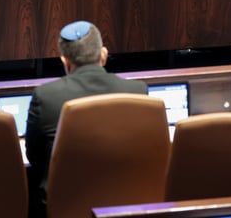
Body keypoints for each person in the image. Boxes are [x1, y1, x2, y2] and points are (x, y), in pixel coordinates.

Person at [26, 21, 147, 214]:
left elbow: (34, 157)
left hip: (66, 207)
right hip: (126, 205)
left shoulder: (45, 96)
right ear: (104, 55)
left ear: (65, 62)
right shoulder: (137, 91)